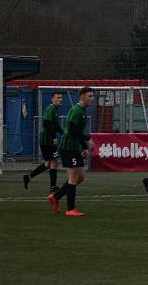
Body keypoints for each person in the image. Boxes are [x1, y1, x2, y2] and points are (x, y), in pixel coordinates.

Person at [48, 87, 94, 217]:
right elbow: (73, 131)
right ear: (82, 97)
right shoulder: (76, 110)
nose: (92, 98)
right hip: (68, 148)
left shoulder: (83, 111)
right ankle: (70, 209)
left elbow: (78, 133)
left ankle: (56, 197)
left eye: (92, 96)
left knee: (81, 177)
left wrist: (84, 148)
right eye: (90, 96)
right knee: (73, 178)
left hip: (74, 148)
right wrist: (88, 138)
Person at [24, 92, 64, 193]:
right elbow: (46, 124)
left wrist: (64, 133)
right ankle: (53, 187)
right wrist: (54, 137)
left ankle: (28, 177)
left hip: (47, 140)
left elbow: (56, 125)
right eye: (58, 97)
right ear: (52, 100)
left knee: (48, 163)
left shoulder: (54, 110)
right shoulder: (50, 109)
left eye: (61, 97)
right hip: (47, 140)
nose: (60, 99)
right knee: (54, 162)